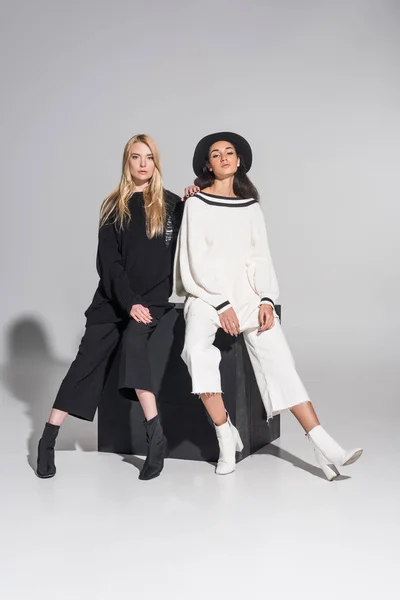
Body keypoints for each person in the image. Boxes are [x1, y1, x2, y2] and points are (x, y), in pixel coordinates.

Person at [175, 132, 363, 480]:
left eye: (229, 152)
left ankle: (323, 444)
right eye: (216, 155)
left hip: (247, 297)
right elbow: (193, 260)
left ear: (240, 161)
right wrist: (220, 303)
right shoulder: (196, 204)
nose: (224, 158)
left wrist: (266, 299)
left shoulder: (250, 208)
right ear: (208, 165)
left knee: (281, 361)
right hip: (206, 296)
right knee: (195, 351)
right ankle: (225, 435)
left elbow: (261, 258)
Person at [37, 134, 192, 481]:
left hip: (152, 301)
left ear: (156, 163)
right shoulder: (112, 206)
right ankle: (47, 439)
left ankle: (156, 439)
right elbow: (109, 264)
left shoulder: (171, 205)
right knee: (85, 362)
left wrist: (196, 198)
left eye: (148, 157)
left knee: (135, 347)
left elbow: (191, 243)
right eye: (135, 157)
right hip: (113, 300)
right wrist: (129, 302)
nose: (142, 164)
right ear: (127, 162)